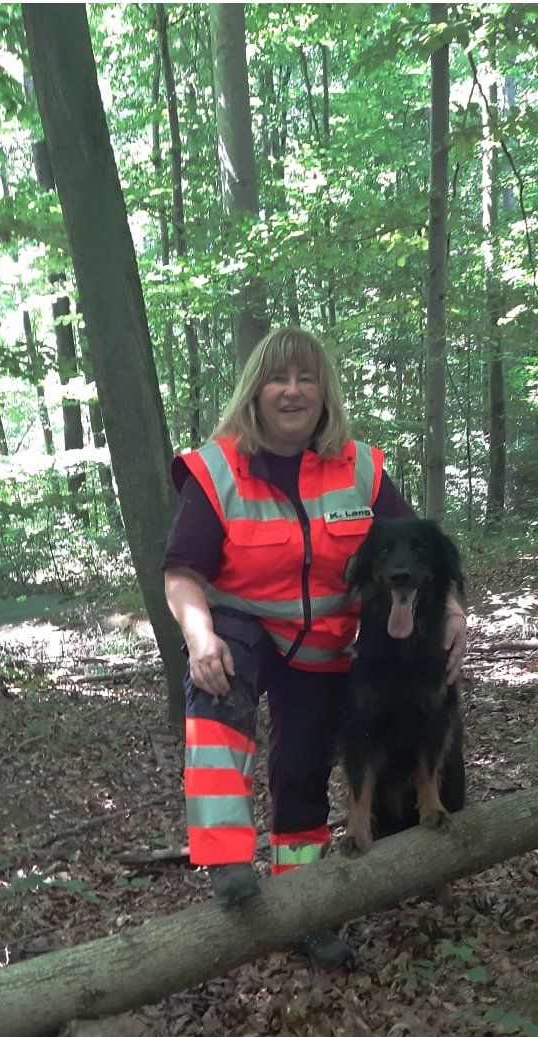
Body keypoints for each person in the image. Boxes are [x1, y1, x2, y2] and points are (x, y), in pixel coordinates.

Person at [163, 328, 467, 967]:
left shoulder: (361, 467)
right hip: (243, 630)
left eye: (307, 379)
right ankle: (224, 856)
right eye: (279, 379)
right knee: (217, 681)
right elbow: (182, 573)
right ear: (256, 392)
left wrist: (456, 613)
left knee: (302, 767)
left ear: (325, 393)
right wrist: (199, 636)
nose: (293, 391)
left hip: (325, 643)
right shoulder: (216, 467)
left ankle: (300, 906)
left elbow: (419, 549)